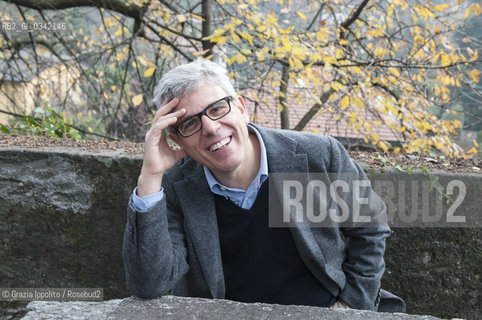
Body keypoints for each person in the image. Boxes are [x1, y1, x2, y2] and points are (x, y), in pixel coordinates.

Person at [122, 60, 405, 312]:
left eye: (217, 108)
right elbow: (149, 284)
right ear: (177, 139)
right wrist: (150, 176)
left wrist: (349, 307)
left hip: (323, 309)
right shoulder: (174, 186)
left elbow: (369, 226)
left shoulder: (318, 156)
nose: (210, 128)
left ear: (241, 108)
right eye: (190, 123)